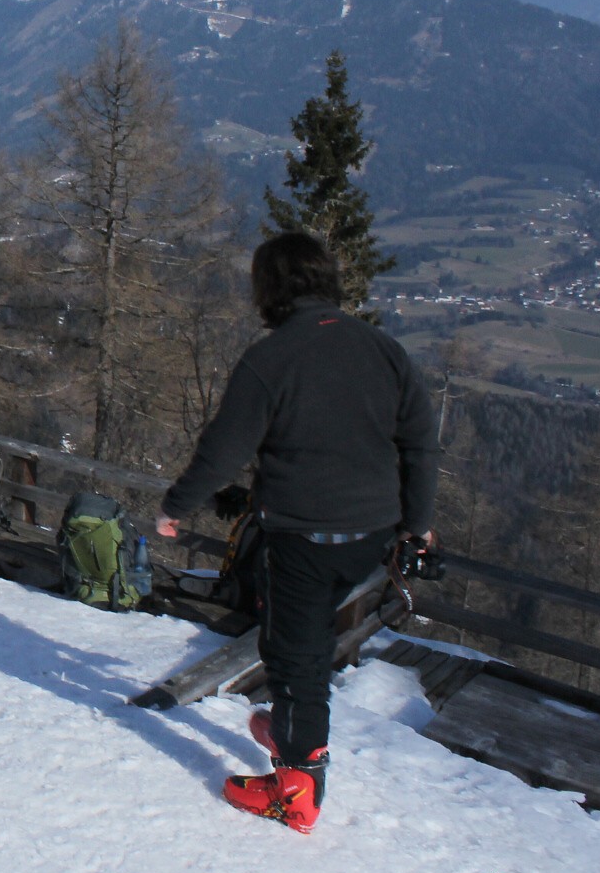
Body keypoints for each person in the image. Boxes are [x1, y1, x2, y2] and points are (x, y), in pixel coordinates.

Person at [155, 231, 437, 834]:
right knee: (302, 655)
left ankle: (297, 789)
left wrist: (176, 506)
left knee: (295, 658)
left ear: (270, 289)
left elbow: (223, 449)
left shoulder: (272, 359)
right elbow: (419, 443)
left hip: (303, 536)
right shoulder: (384, 350)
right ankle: (288, 730)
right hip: (373, 533)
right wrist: (418, 526)